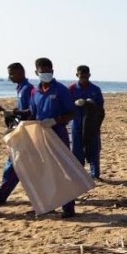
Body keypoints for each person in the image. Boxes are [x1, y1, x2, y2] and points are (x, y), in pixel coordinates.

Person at [29, 57, 77, 218]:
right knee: (46, 171)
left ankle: (68, 207)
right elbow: (32, 113)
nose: (46, 74)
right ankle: (49, 205)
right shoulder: (35, 92)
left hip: (58, 134)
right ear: (37, 72)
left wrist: (56, 120)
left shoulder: (61, 90)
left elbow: (72, 112)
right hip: (41, 135)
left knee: (64, 170)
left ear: (53, 71)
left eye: (49, 71)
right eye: (43, 72)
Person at [0, 63, 34, 203]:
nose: (10, 77)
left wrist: (13, 113)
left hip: (25, 132)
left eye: (12, 73)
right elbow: (21, 110)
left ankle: (1, 195)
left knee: (14, 164)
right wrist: (9, 114)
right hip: (21, 129)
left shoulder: (27, 89)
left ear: (21, 72)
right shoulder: (21, 88)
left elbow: (30, 112)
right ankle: (1, 194)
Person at [69, 65, 105, 180]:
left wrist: (92, 103)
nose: (84, 78)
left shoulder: (95, 89)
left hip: (91, 124)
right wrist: (74, 103)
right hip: (76, 123)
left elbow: (101, 108)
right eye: (81, 76)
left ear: (89, 75)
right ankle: (79, 173)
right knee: (77, 149)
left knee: (94, 148)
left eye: (86, 76)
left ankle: (95, 174)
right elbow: (66, 105)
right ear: (77, 75)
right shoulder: (72, 89)